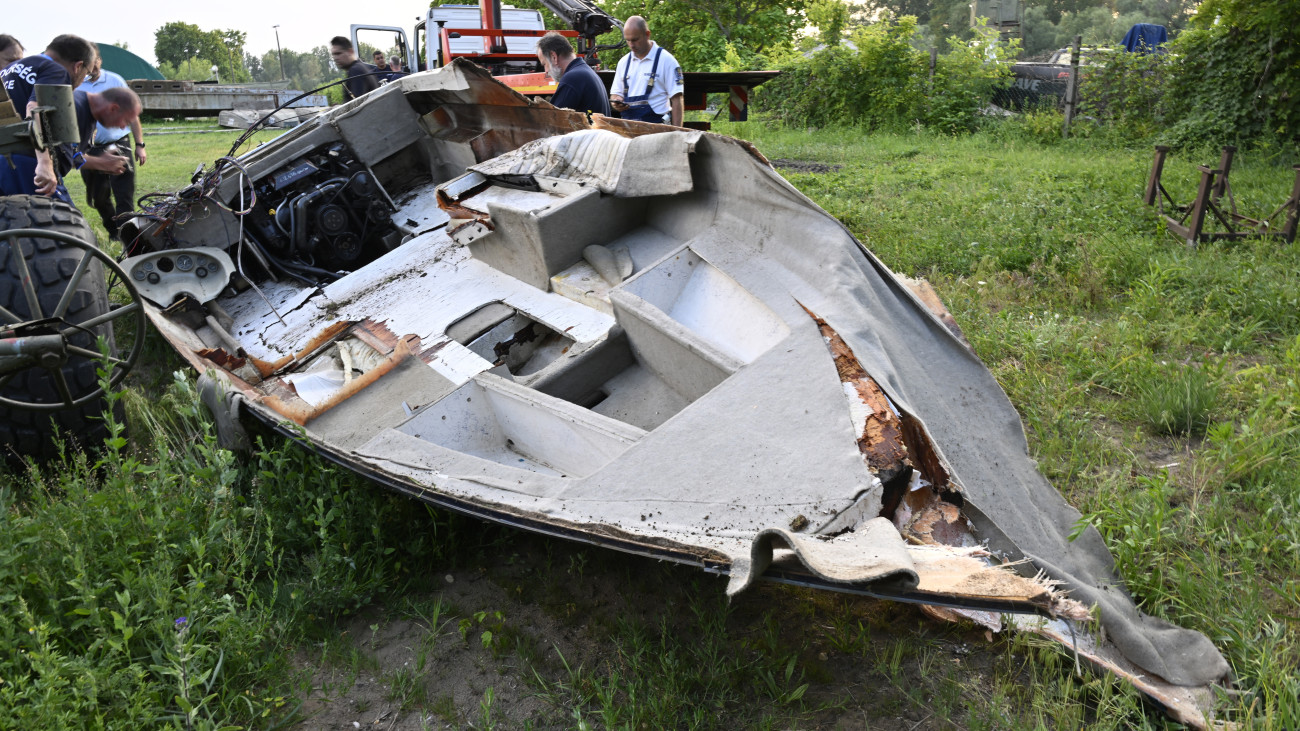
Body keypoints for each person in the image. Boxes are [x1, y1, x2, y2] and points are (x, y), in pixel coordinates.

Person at [0, 34, 101, 201]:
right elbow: (35, 109)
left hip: (4, 159)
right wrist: (45, 163)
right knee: (64, 223)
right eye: (87, 74)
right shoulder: (56, 70)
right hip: (27, 162)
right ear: (78, 66)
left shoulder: (7, 70)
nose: (83, 81)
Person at [78, 56, 148, 239]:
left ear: (100, 60)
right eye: (88, 63)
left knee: (124, 193)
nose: (92, 67)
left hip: (118, 144)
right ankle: (113, 231)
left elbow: (132, 113)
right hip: (89, 147)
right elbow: (66, 156)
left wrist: (140, 144)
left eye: (95, 62)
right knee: (98, 197)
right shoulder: (76, 88)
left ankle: (129, 235)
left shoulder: (115, 80)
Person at [609, 16, 683, 126]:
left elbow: (677, 100)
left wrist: (677, 134)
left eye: (635, 40)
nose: (631, 45)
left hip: (657, 131)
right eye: (628, 40)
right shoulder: (623, 62)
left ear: (647, 34)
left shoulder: (667, 61)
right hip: (628, 130)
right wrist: (616, 101)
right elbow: (615, 94)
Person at [536, 31, 610, 118]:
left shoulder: (572, 79)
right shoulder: (585, 72)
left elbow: (553, 120)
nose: (546, 71)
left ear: (554, 57)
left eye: (545, 64)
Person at [329, 36, 379, 102]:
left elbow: (356, 106)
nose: (335, 58)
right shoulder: (361, 67)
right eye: (333, 55)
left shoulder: (356, 70)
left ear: (350, 51)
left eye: (338, 53)